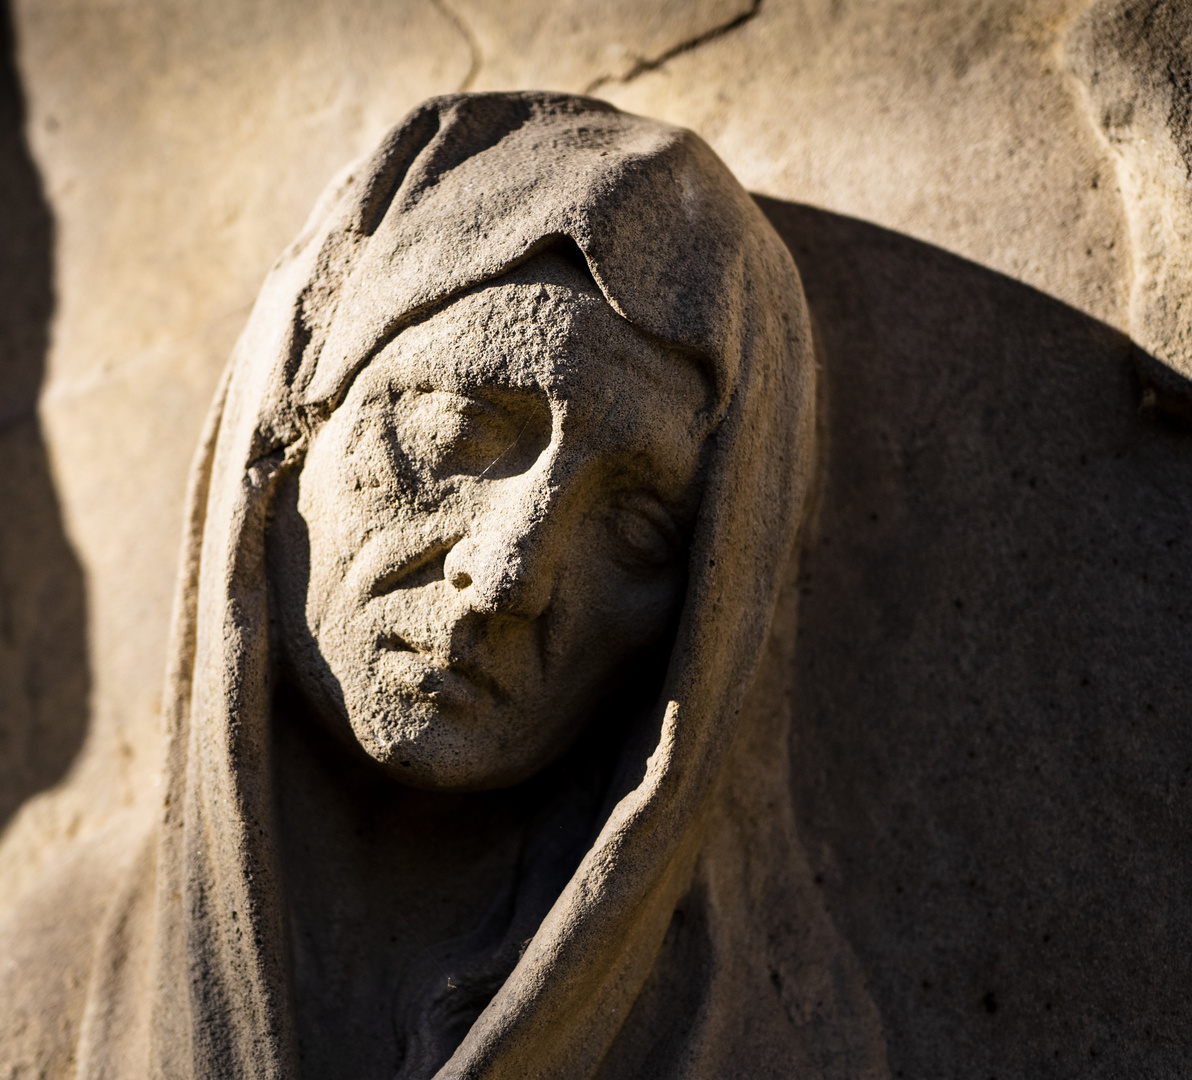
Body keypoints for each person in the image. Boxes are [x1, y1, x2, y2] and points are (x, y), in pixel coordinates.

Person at [0, 91, 888, 1079]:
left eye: (636, 529)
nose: (510, 574)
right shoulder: (43, 977)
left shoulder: (768, 1046)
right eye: (457, 433)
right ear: (293, 423)